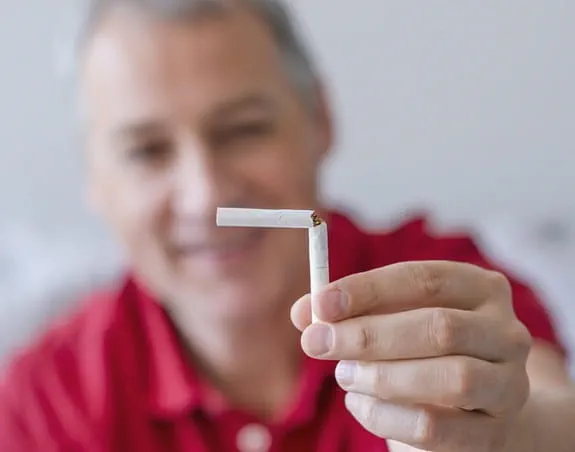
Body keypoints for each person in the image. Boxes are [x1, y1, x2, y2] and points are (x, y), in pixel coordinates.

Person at [1, 0, 573, 450]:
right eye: (148, 151)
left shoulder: (443, 288)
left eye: (244, 129)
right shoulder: (48, 400)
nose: (206, 196)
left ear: (320, 120)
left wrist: (517, 436)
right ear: (95, 182)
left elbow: (549, 406)